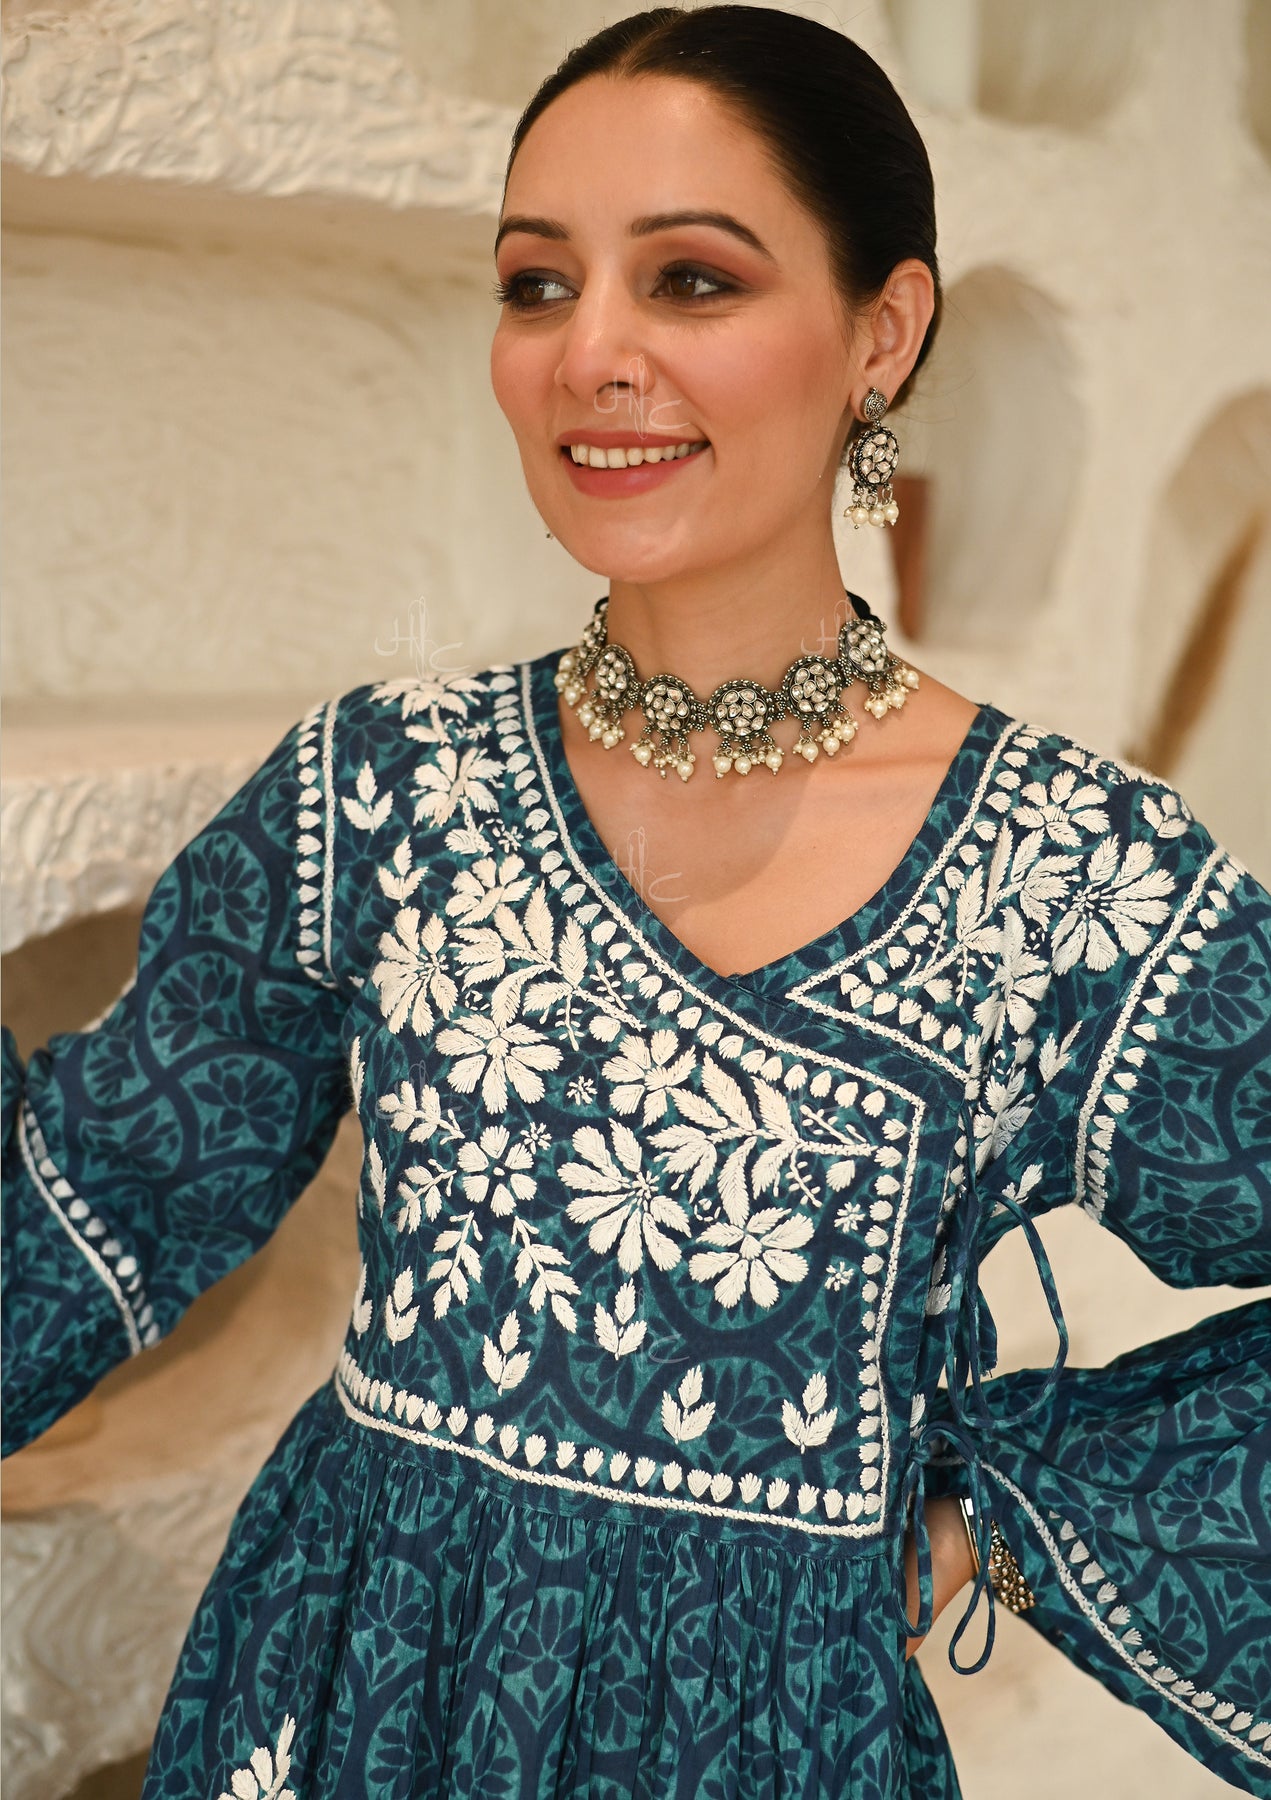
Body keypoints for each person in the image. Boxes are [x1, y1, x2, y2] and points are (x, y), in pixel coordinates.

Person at [3, 7, 1268, 1796]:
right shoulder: (387, 794)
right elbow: (91, 1200)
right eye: (537, 285)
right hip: (352, 1700)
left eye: (690, 280)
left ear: (882, 332)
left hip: (767, 1745)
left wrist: (1010, 1521)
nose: (589, 351)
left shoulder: (1067, 879)